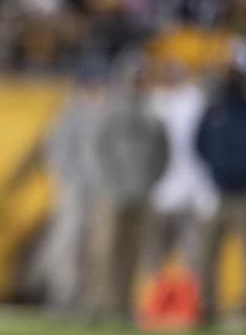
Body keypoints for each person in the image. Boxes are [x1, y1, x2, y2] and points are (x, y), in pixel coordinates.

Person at [195, 41, 246, 322]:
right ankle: (206, 306)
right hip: (216, 191)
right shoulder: (214, 104)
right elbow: (200, 143)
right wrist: (216, 170)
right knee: (206, 253)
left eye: (236, 67)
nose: (231, 73)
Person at [88, 55, 169, 321]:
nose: (136, 83)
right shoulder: (110, 112)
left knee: (132, 253)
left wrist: (150, 182)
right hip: (113, 193)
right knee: (105, 251)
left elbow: (163, 153)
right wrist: (110, 181)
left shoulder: (153, 114)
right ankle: (100, 303)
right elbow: (97, 150)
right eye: (133, 78)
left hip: (141, 194)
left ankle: (123, 305)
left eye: (139, 78)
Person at [41, 57, 108, 315]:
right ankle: (62, 297)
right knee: (67, 243)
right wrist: (67, 178)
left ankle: (90, 300)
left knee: (96, 247)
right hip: (73, 187)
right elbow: (55, 148)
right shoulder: (71, 110)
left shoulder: (108, 112)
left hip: (101, 190)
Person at [145, 60, 216, 285]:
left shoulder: (195, 102)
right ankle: (156, 304)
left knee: (194, 257)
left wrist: (205, 191)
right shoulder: (153, 103)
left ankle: (191, 305)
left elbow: (204, 148)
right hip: (157, 192)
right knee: (152, 258)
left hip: (189, 194)